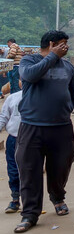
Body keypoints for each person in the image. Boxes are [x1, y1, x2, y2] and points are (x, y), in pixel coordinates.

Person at [14, 30, 74, 234]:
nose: (66, 48)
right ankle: (30, 214)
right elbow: (30, 76)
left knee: (62, 165)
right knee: (29, 171)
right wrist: (53, 56)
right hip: (32, 126)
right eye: (62, 44)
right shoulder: (28, 61)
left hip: (61, 126)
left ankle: (57, 197)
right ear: (51, 43)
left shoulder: (67, 67)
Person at [0, 80, 22, 214]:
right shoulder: (12, 98)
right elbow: (4, 116)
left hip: (32, 140)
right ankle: (15, 199)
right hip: (13, 139)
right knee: (13, 170)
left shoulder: (41, 97)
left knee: (31, 171)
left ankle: (32, 202)